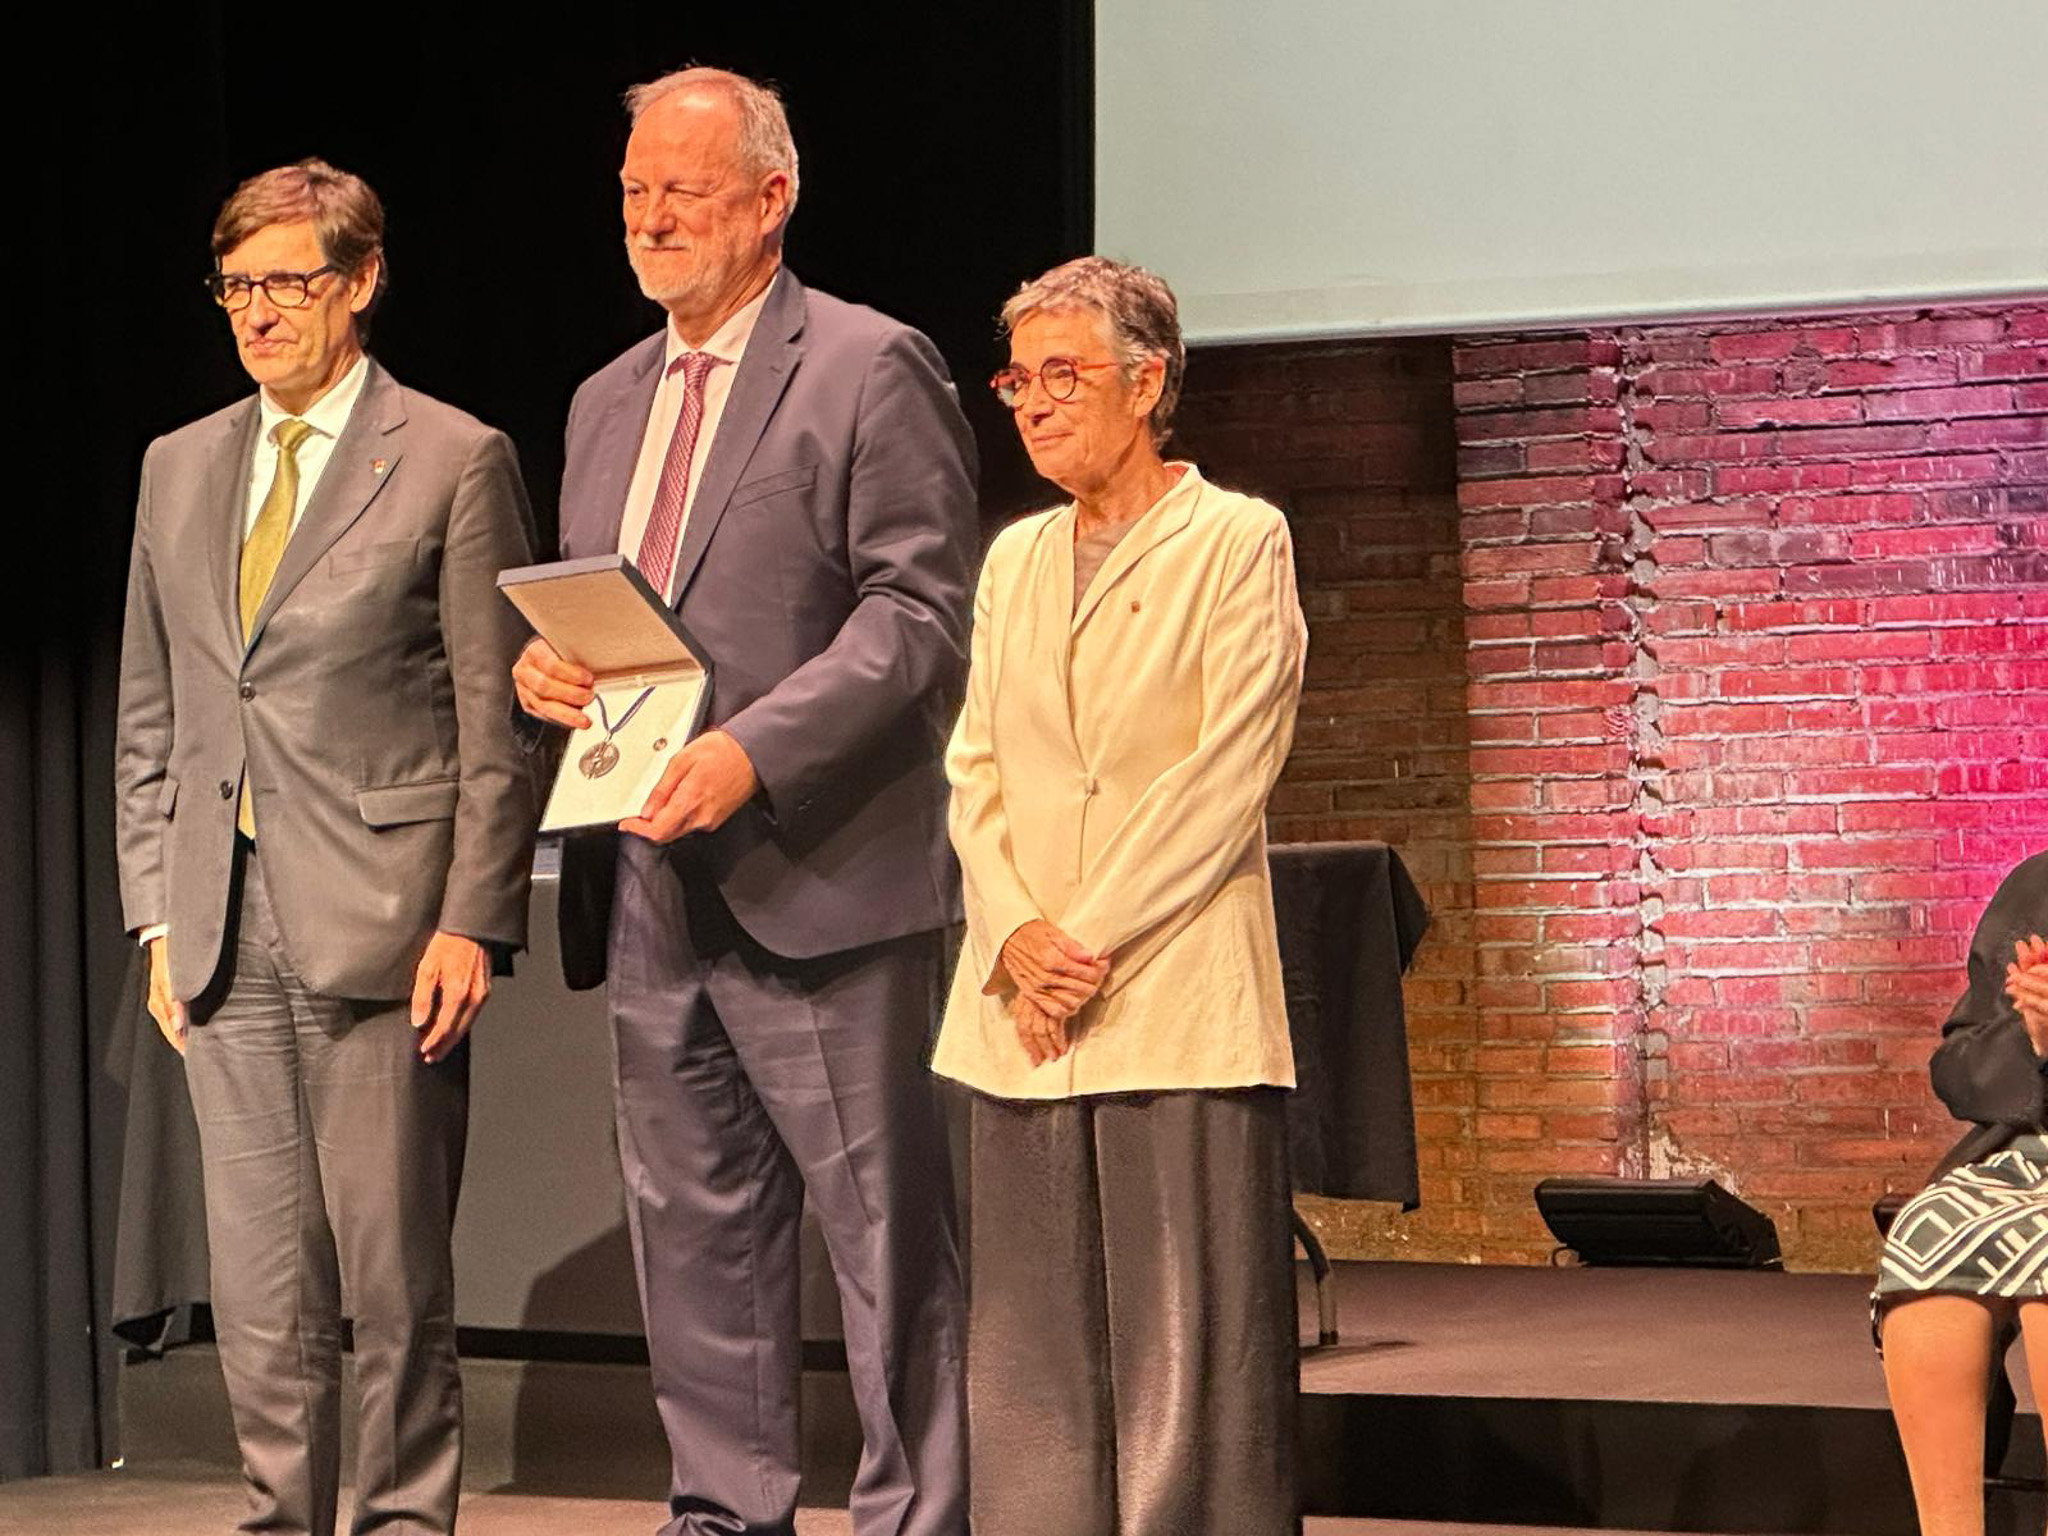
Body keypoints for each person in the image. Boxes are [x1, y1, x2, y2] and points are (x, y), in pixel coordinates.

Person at [510, 68, 975, 1536]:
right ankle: (720, 1514)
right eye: (633, 192)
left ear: (773, 200)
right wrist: (552, 674)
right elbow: (614, 623)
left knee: (884, 1244)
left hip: (819, 877)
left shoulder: (869, 365)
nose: (649, 219)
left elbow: (918, 615)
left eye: (683, 192)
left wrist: (754, 752)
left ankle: (916, 1519)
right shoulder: (602, 402)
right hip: (649, 884)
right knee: (694, 1233)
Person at [113, 159, 537, 1536]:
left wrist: (473, 919)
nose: (258, 311)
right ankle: (278, 1518)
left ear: (360, 283)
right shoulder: (179, 465)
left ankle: (403, 1520)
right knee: (259, 1285)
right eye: (236, 284)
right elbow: (155, 707)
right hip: (219, 925)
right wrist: (158, 915)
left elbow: (492, 717)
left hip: (389, 923)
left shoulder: (453, 457)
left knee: (391, 1280)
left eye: (289, 282)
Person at [929, 256, 1308, 1536]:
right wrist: (1016, 938)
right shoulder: (1014, 558)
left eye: (1063, 375)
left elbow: (1225, 770)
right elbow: (975, 768)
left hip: (1168, 997)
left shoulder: (1236, 540)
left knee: (1183, 1358)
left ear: (1146, 384)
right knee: (1031, 1362)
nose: (1033, 404)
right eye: (1016, 381)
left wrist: (1079, 945)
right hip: (1020, 1012)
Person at [1876, 849, 2048, 1536]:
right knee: (1930, 1234)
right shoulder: (2038, 887)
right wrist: (2033, 1037)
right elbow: (1958, 1070)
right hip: (2031, 1152)